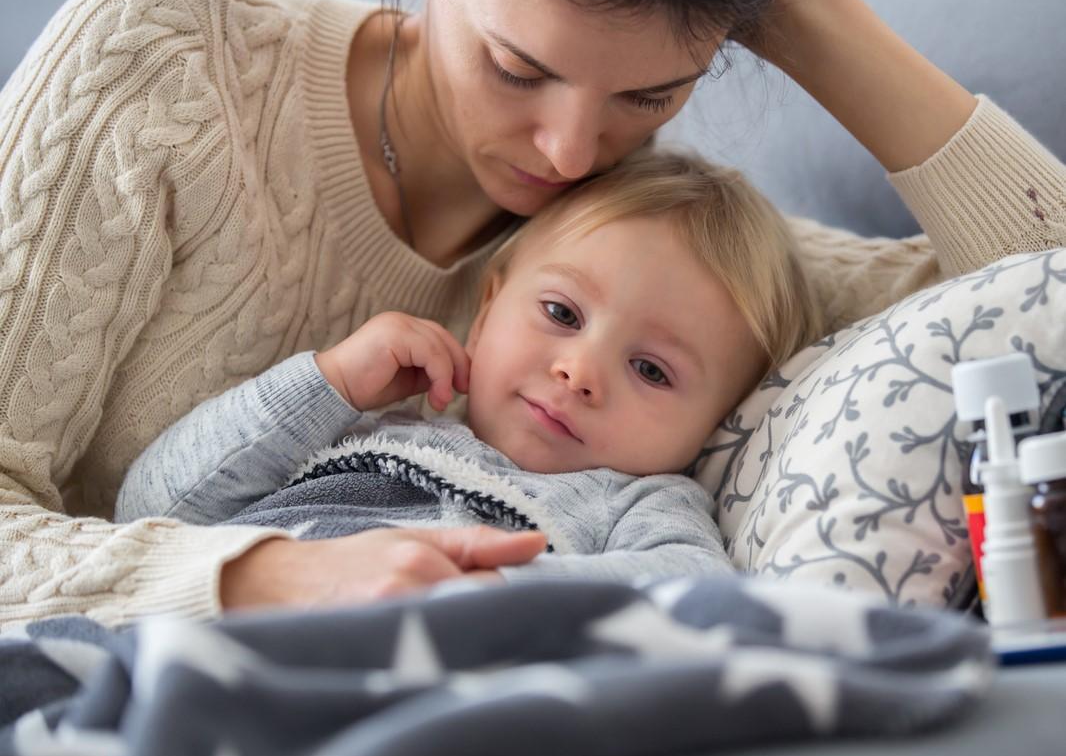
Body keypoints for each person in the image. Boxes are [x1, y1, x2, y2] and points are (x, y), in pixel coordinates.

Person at [1, 0, 1064, 630]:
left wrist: (800, 5)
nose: (568, 150)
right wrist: (262, 580)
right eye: (515, 68)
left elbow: (1038, 296)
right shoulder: (164, 60)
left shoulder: (644, 242)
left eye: (649, 93)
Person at [114, 150, 821, 584]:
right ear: (486, 310)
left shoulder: (634, 504)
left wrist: (489, 591)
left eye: (652, 370)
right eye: (562, 314)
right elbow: (149, 510)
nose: (579, 372)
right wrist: (323, 384)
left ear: (715, 424)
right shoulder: (366, 420)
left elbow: (693, 592)